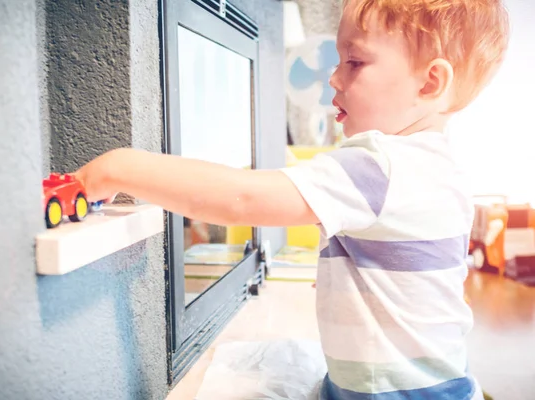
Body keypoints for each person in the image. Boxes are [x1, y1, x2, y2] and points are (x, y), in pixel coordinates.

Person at [74, 0, 510, 398]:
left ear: (430, 82)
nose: (334, 77)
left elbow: (241, 199)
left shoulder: (381, 163)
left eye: (355, 62)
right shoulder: (440, 166)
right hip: (436, 379)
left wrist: (120, 167)